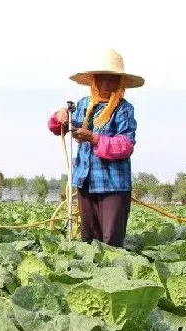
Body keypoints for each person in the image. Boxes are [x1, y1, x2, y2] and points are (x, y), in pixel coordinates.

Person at [48, 48, 143, 248]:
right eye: (101, 79)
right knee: (89, 239)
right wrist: (60, 115)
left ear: (120, 83)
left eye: (111, 80)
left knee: (110, 241)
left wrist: (93, 138)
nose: (106, 84)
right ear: (94, 80)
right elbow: (57, 128)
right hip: (85, 181)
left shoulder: (124, 109)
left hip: (113, 184)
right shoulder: (82, 106)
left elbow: (125, 145)